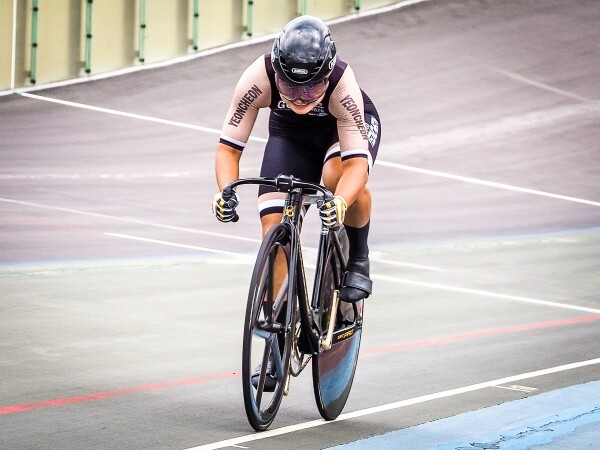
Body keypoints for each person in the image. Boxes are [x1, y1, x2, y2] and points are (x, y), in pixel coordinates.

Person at [212, 15, 381, 304]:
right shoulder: (258, 77)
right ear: (277, 73)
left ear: (327, 77)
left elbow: (357, 166)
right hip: (290, 136)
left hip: (339, 129)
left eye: (312, 88)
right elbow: (228, 148)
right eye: (289, 87)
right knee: (273, 227)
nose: (301, 98)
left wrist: (341, 201)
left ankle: (358, 257)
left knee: (335, 175)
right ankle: (280, 317)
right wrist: (225, 190)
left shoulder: (342, 86)